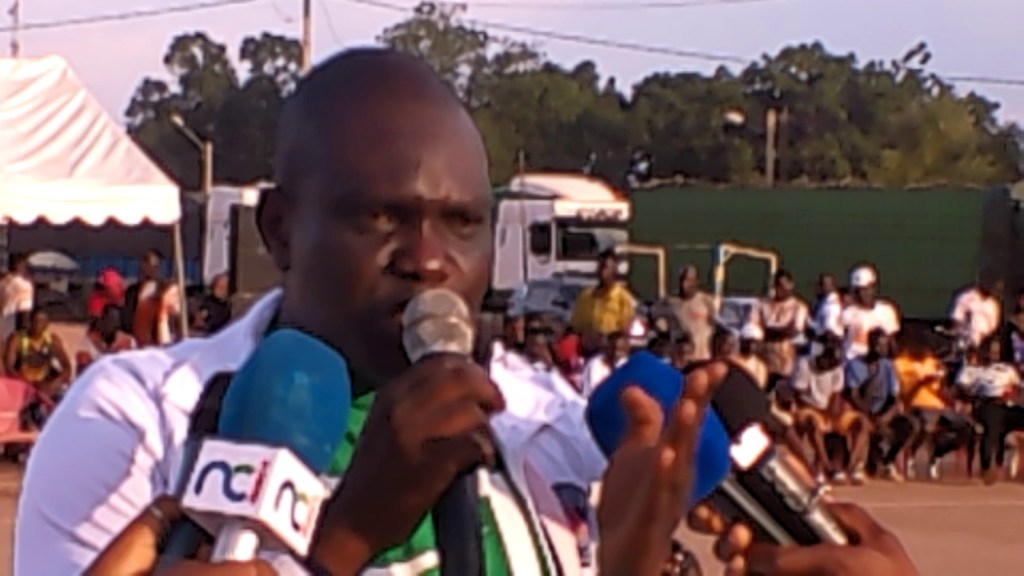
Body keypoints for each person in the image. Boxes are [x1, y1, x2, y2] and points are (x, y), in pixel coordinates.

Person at [16, 48, 711, 576]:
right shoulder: (133, 422)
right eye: (381, 217)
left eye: (462, 223)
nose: (428, 260)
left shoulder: (547, 425)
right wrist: (348, 538)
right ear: (280, 230)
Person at [791, 333, 870, 484]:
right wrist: (823, 417)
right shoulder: (804, 364)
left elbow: (836, 394)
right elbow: (798, 395)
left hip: (829, 410)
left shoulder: (836, 368)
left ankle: (851, 465)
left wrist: (833, 416)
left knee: (861, 423)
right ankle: (825, 467)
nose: (829, 363)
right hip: (807, 407)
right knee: (815, 426)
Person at [893, 338, 973, 481]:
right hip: (917, 404)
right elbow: (901, 393)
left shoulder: (933, 363)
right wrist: (921, 382)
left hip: (939, 406)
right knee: (926, 425)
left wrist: (954, 402)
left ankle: (938, 453)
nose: (925, 350)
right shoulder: (900, 364)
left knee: (967, 428)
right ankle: (911, 456)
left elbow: (940, 388)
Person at [844, 329, 910, 481]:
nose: (882, 349)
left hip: (881, 411)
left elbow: (894, 397)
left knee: (909, 425)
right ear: (870, 344)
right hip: (858, 410)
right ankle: (854, 466)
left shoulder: (888, 366)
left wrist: (886, 416)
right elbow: (852, 394)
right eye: (879, 345)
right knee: (862, 425)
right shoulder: (855, 364)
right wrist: (866, 414)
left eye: (885, 345)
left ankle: (887, 461)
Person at [956, 336, 1024, 484]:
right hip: (987, 404)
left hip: (1009, 405)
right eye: (991, 350)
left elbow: (1019, 387)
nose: (993, 353)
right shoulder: (974, 369)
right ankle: (987, 467)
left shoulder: (1008, 369)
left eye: (996, 350)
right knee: (992, 429)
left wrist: (1014, 395)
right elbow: (961, 388)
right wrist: (969, 396)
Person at [754, 269, 809, 391]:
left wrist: (768, 330)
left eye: (783, 285)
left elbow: (794, 330)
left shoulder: (799, 306)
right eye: (777, 285)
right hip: (762, 358)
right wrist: (773, 331)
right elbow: (754, 325)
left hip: (786, 360)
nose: (780, 289)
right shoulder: (762, 303)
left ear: (791, 285)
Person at [651, 265, 717, 361]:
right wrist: (662, 327)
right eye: (683, 280)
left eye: (689, 280)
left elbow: (715, 326)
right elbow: (654, 315)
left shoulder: (706, 301)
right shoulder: (670, 301)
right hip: (681, 359)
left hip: (703, 357)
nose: (684, 285)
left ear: (696, 281)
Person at [569, 249, 636, 341]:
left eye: (605, 267)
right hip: (587, 346)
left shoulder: (623, 298)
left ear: (615, 270)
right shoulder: (585, 296)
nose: (601, 271)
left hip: (610, 346)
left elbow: (625, 332)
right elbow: (575, 327)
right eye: (600, 266)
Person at [840, 266, 900, 360]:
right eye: (858, 291)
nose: (862, 294)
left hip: (877, 362)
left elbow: (892, 344)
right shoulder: (848, 313)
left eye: (866, 289)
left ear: (873, 288)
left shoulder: (886, 311)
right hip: (853, 361)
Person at [76, 305, 137, 373]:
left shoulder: (122, 338)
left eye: (114, 321)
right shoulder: (86, 343)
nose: (111, 324)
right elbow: (83, 364)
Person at [950, 277, 1003, 348]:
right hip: (964, 336)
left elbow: (993, 325)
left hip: (984, 340)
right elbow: (957, 317)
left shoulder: (993, 305)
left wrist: (984, 335)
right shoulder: (967, 297)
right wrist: (961, 332)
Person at [123, 249, 163, 335]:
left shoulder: (162, 291)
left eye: (156, 266)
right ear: (142, 265)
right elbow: (127, 317)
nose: (152, 269)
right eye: (149, 264)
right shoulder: (132, 291)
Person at [580, 330, 629, 397]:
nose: (616, 353)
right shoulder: (596, 364)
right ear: (607, 348)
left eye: (620, 350)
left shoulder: (626, 364)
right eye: (612, 348)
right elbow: (596, 391)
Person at [0, 253, 33, 345]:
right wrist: (25, 330)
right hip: (13, 321)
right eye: (25, 265)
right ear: (20, 266)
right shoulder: (25, 285)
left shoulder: (2, 282)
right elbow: (25, 310)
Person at [734, 324, 768, 389]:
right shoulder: (730, 362)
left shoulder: (760, 367)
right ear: (741, 342)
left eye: (755, 343)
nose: (751, 346)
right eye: (748, 342)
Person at [810, 272, 843, 339]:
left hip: (829, 339)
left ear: (833, 286)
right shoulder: (821, 302)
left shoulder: (832, 304)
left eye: (824, 284)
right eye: (820, 284)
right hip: (820, 336)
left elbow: (829, 329)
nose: (822, 287)